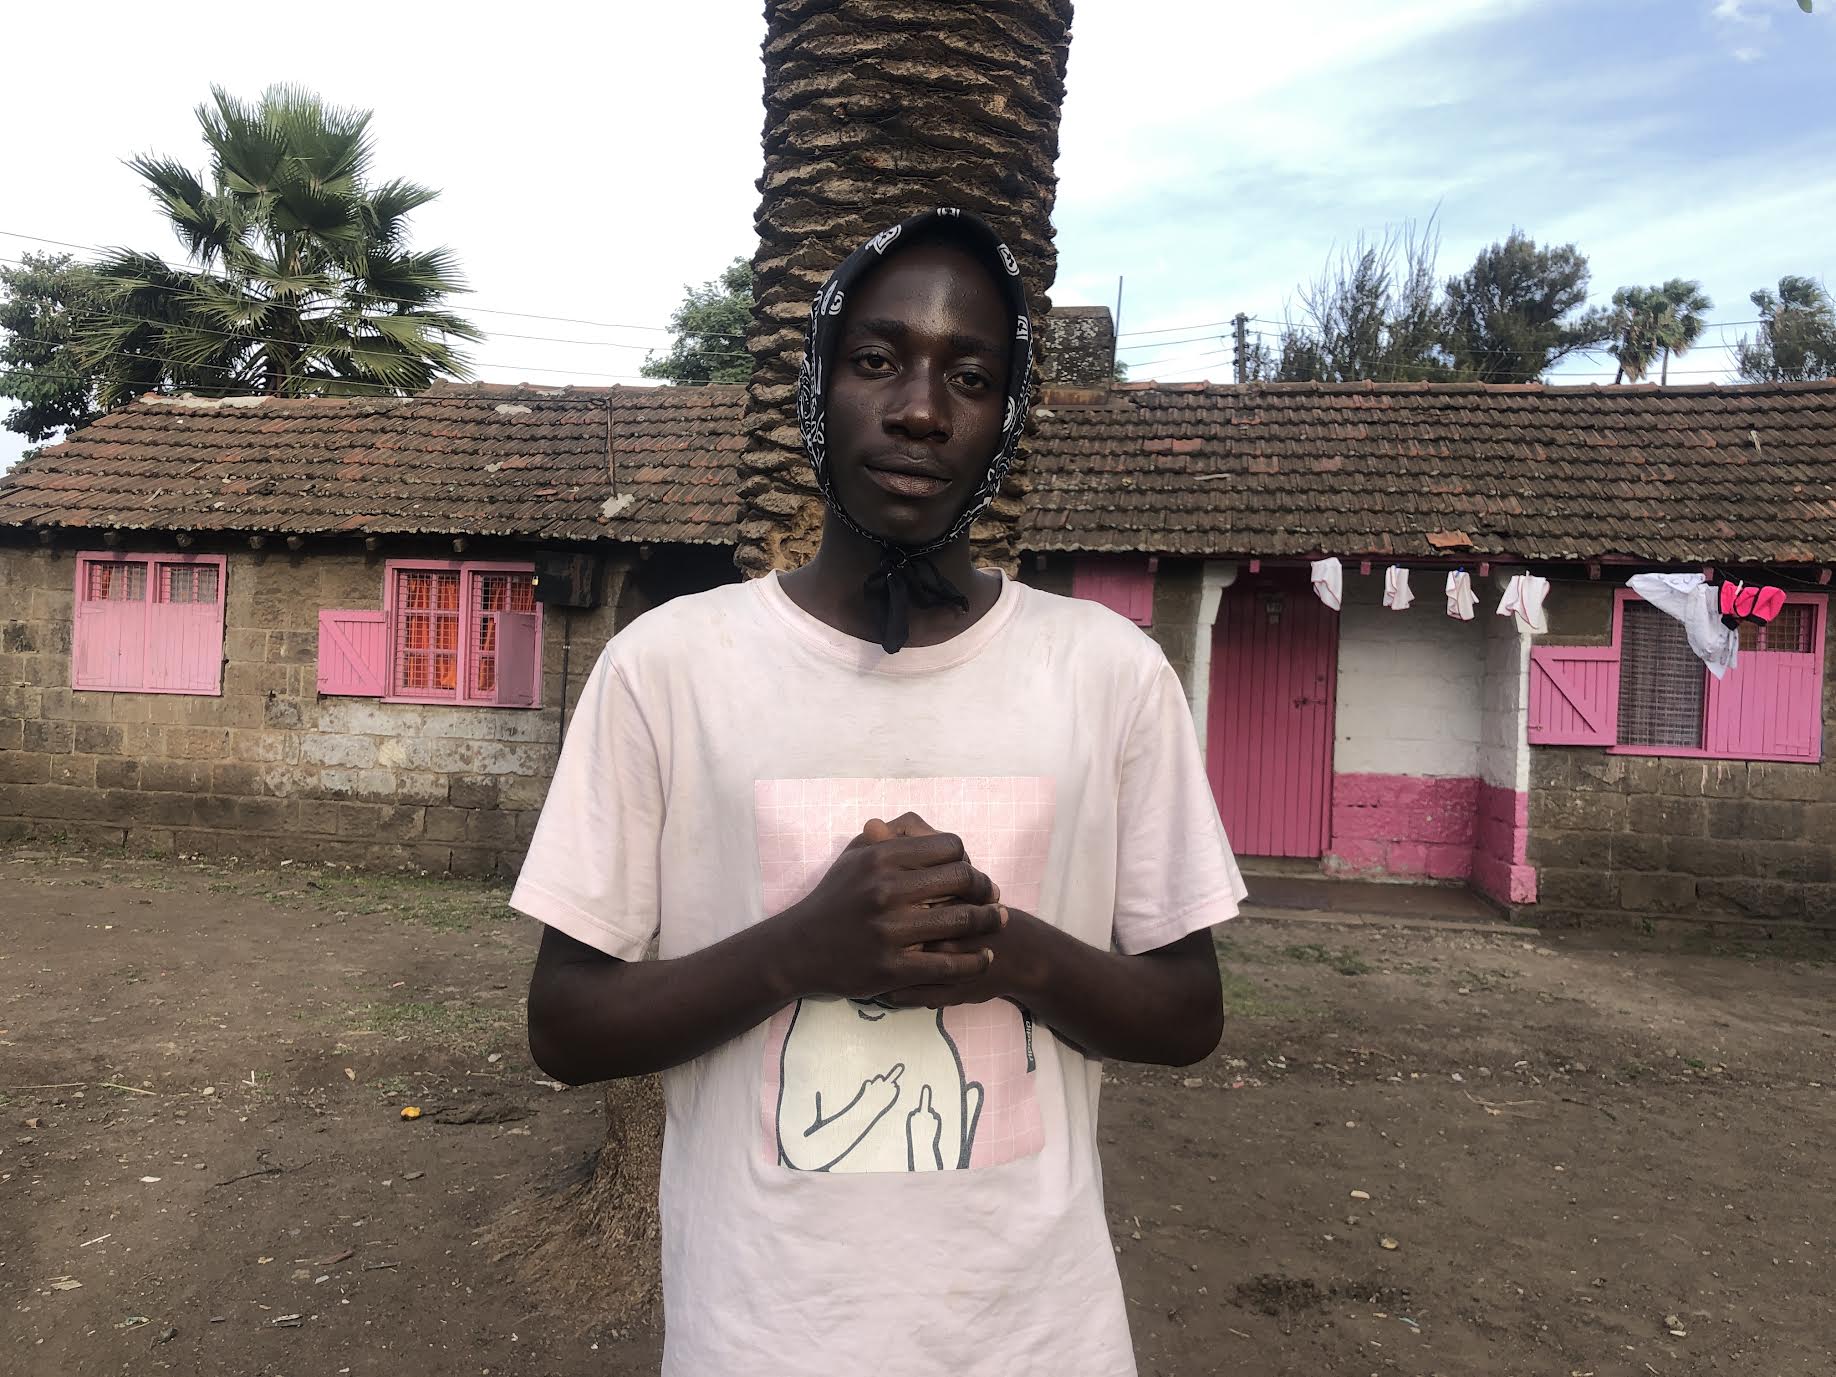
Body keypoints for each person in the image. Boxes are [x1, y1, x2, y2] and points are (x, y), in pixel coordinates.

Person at [514, 208, 1245, 1376]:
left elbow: (1188, 1014)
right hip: (761, 1336)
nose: (919, 408)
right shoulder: (670, 665)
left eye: (971, 375)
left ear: (1008, 420)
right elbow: (565, 1026)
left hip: (1036, 1339)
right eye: (876, 360)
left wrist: (1007, 950)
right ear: (817, 382)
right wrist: (800, 951)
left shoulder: (1106, 673)